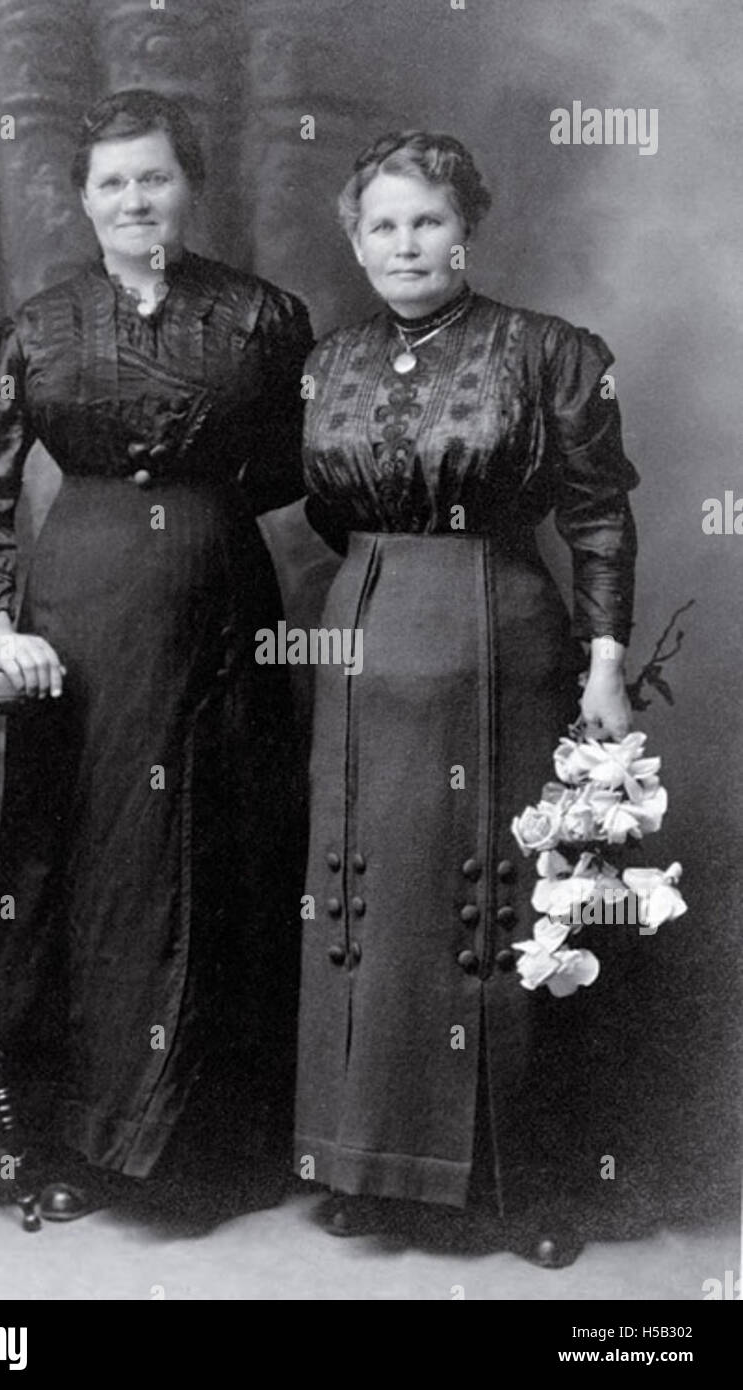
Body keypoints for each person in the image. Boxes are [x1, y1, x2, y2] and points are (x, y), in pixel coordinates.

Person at [0, 89, 313, 1221]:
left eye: (154, 176)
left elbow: (299, 457)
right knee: (85, 861)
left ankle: (216, 1143)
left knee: (221, 845)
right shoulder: (38, 326)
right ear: (84, 200)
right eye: (112, 182)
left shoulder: (261, 318)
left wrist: (200, 521)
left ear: (188, 186)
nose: (135, 198)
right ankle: (74, 1140)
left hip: (216, 607)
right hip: (82, 615)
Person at [294, 130, 639, 1266]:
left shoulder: (548, 352)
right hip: (366, 638)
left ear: (468, 230)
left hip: (500, 636)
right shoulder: (331, 361)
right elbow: (333, 516)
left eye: (427, 220)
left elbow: (595, 514)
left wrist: (603, 662)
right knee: (373, 904)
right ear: (356, 241)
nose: (406, 243)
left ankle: (515, 1184)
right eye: (383, 224)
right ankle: (370, 1168)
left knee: (498, 903)